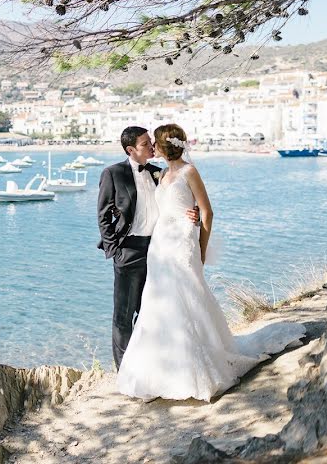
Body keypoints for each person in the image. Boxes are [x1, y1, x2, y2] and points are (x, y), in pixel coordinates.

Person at [116, 124, 305, 401]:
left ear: (166, 145)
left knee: (190, 298)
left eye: (154, 142)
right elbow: (163, 207)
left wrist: (201, 248)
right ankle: (159, 371)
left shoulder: (189, 172)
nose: (152, 147)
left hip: (183, 243)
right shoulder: (164, 173)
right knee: (158, 302)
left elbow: (207, 211)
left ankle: (197, 368)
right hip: (159, 245)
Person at [97, 126, 198, 370]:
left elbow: (177, 202)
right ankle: (125, 370)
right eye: (145, 144)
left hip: (159, 250)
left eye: (151, 142)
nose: (152, 146)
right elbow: (103, 216)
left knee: (152, 311)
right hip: (128, 251)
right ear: (131, 150)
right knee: (123, 316)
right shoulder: (113, 173)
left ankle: (153, 366)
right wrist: (115, 250)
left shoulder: (159, 173)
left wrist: (193, 215)